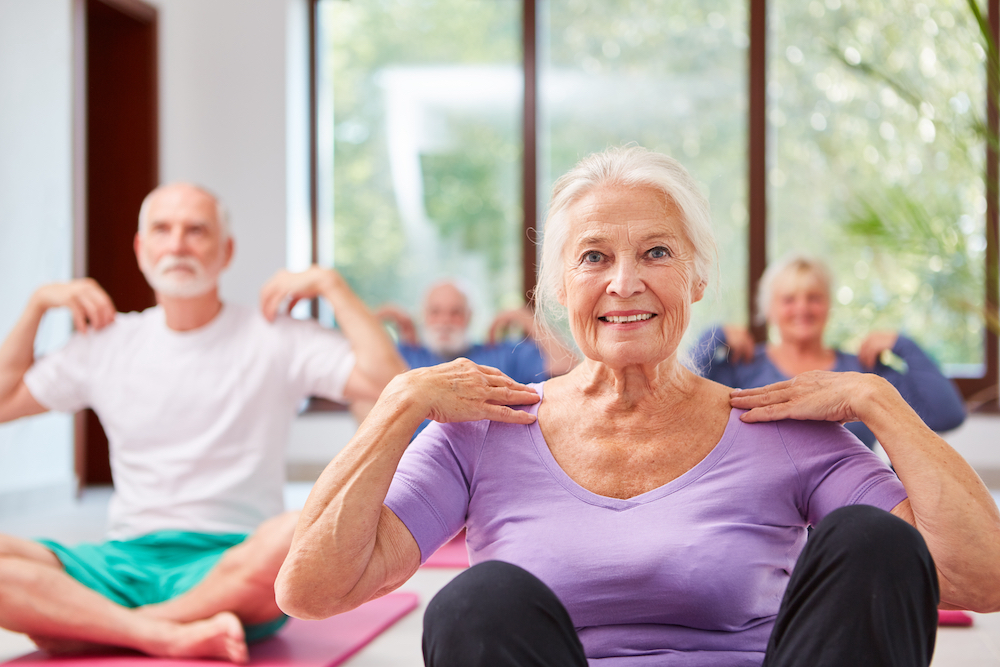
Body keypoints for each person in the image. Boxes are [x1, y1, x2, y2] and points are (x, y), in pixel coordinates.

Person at [275, 147, 1000, 666]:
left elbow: (981, 578)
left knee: (875, 540)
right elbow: (310, 588)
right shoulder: (485, 429)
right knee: (475, 601)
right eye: (594, 257)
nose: (625, 283)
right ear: (560, 287)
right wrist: (400, 403)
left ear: (696, 277)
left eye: (656, 252)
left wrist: (882, 401)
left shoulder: (775, 422)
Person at [0, 183, 405, 663]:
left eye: (196, 231)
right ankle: (161, 635)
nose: (177, 244)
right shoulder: (107, 343)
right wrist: (37, 306)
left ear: (226, 250)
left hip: (233, 562)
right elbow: (6, 401)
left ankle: (100, 624)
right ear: (141, 248)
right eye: (162, 230)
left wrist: (333, 287)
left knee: (295, 535)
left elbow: (392, 384)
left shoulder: (274, 336)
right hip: (124, 561)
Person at [690, 253, 966, 448]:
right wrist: (712, 337)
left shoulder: (863, 372)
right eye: (789, 299)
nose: (802, 308)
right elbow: (682, 404)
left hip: (853, 516)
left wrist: (903, 345)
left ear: (828, 305)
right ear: (768, 309)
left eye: (814, 298)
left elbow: (945, 414)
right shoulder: (742, 369)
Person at [376, 279, 578, 384]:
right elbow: (348, 368)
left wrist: (524, 318)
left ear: (469, 317)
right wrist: (376, 319)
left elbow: (568, 365)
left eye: (455, 312)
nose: (445, 321)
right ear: (423, 316)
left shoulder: (501, 353)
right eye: (435, 312)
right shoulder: (403, 356)